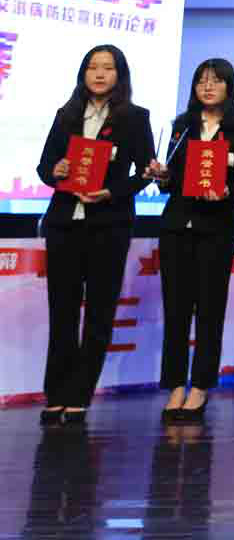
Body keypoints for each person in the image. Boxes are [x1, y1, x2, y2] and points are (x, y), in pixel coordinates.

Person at [35, 44, 156, 425]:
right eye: (93, 67)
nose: (100, 74)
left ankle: (79, 395)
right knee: (62, 312)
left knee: (99, 313)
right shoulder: (66, 114)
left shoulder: (135, 117)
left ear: (120, 75)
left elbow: (145, 174)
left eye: (108, 68)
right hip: (64, 224)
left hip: (108, 225)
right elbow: (44, 167)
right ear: (83, 73)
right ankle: (56, 394)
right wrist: (56, 170)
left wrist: (111, 192)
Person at [152, 58, 234, 422]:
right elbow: (169, 180)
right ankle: (174, 385)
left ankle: (200, 385)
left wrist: (229, 191)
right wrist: (162, 176)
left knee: (210, 309)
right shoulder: (181, 127)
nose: (208, 87)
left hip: (216, 228)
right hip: (176, 226)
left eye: (216, 81)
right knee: (176, 310)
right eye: (201, 81)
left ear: (229, 87)